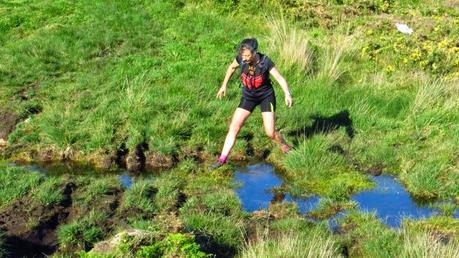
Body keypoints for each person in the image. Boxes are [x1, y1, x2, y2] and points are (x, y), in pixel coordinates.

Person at [211, 38, 293, 169]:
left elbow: (279, 78)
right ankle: (222, 159)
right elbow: (232, 67)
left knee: (270, 132)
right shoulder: (241, 58)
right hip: (248, 96)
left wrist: (287, 93)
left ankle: (284, 145)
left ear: (255, 52)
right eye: (243, 55)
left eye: (248, 56)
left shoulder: (265, 62)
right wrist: (224, 85)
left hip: (266, 97)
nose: (245, 58)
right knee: (234, 127)